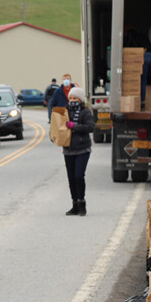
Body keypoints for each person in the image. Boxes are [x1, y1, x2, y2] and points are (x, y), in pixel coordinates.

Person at [63, 87, 94, 216]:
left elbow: (90, 127)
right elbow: (58, 126)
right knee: (71, 178)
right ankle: (74, 204)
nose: (72, 100)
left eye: (75, 98)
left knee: (78, 176)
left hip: (82, 149)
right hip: (68, 149)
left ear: (80, 100)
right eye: (71, 98)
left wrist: (75, 126)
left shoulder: (85, 112)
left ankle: (82, 204)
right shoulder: (65, 112)